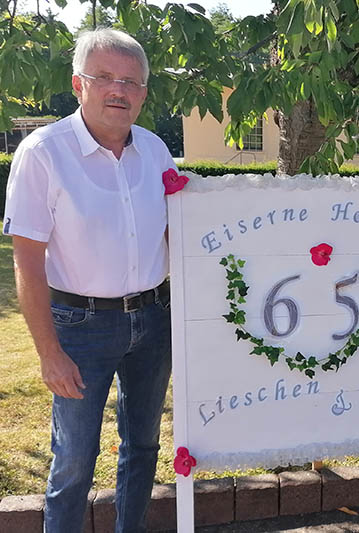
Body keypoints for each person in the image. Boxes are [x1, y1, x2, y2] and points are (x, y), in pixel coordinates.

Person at [3, 28, 175, 532]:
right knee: (75, 460)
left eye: (131, 81)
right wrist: (48, 352)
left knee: (143, 446)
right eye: (104, 77)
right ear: (78, 84)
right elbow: (28, 262)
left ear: (144, 93)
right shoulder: (43, 153)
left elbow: (181, 235)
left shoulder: (156, 151)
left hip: (153, 319)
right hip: (79, 327)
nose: (118, 90)